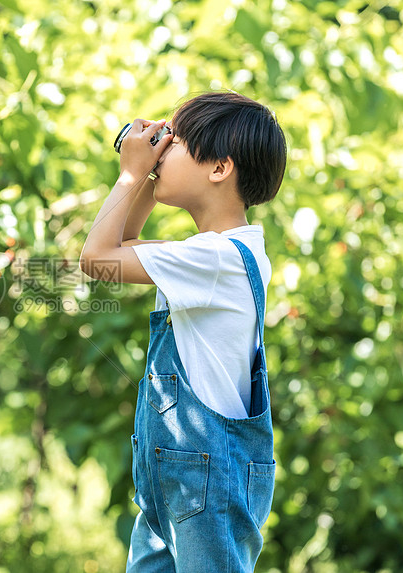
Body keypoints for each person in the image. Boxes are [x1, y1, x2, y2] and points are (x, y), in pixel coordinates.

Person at [79, 91, 287, 572]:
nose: (162, 150)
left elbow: (97, 260)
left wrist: (133, 173)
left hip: (203, 483)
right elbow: (122, 244)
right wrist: (149, 177)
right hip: (177, 478)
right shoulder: (213, 255)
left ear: (219, 168)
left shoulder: (215, 259)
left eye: (176, 142)